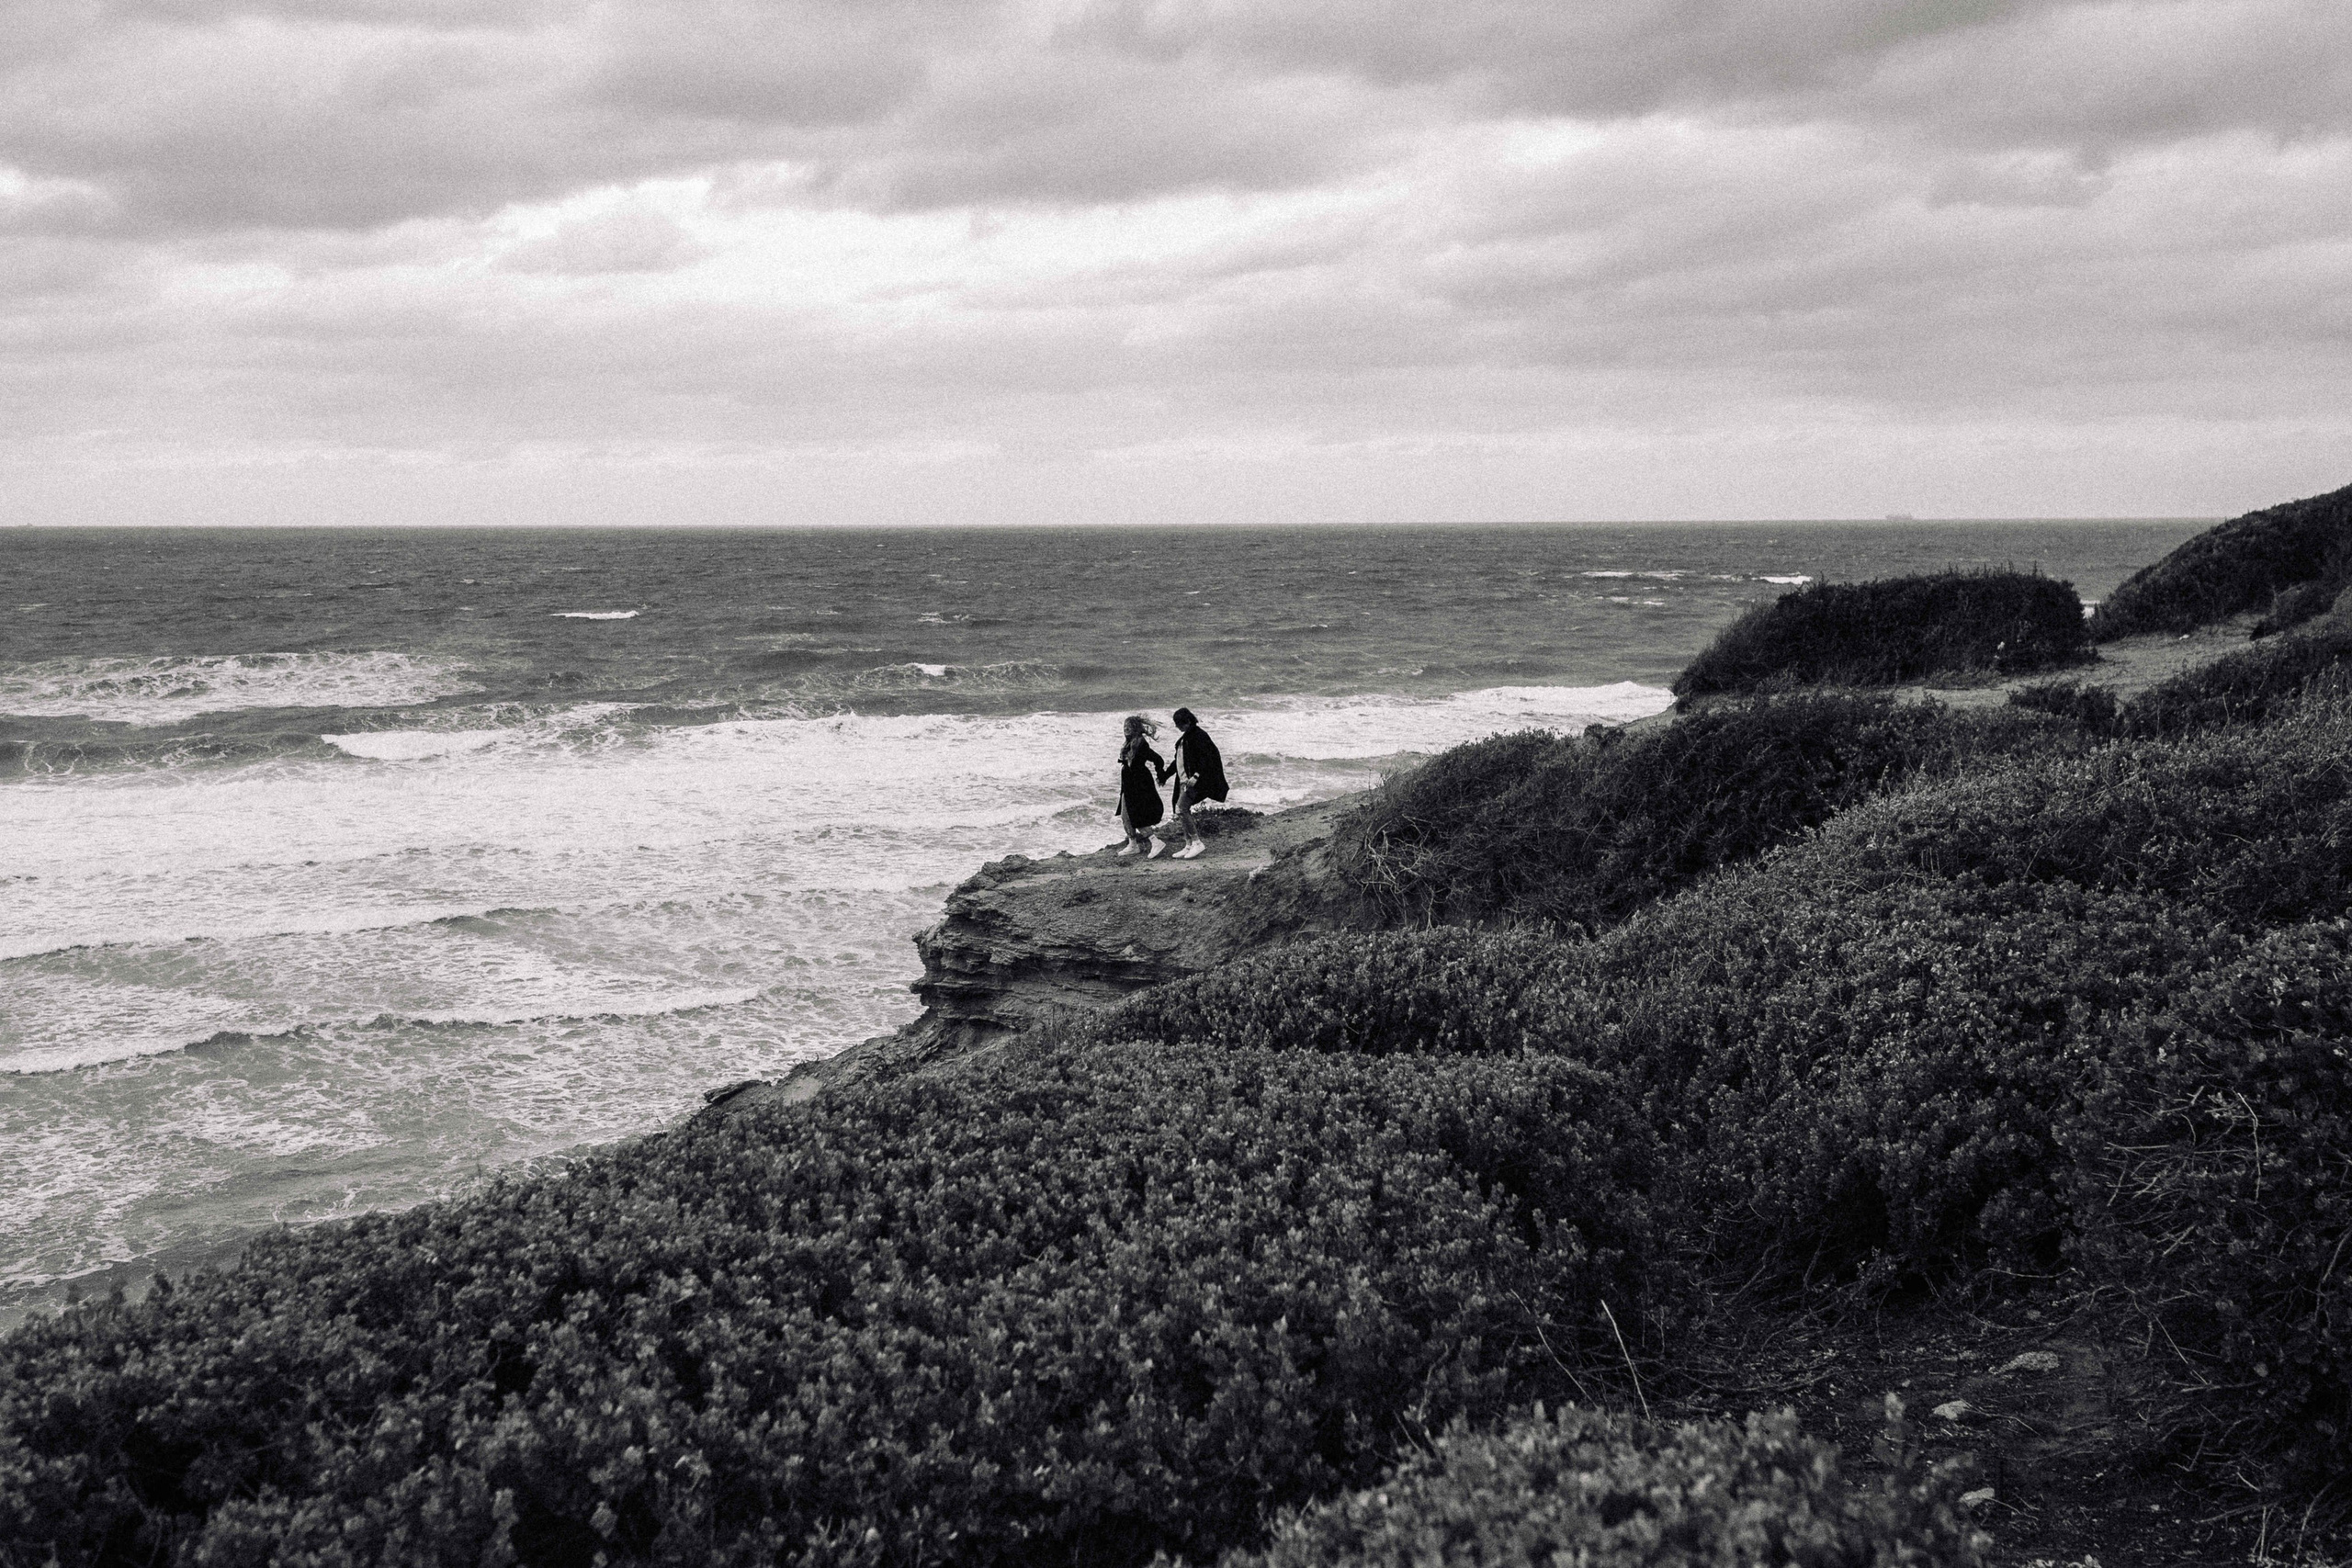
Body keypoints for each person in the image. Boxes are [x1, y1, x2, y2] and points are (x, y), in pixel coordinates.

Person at [1165, 706, 1227, 859]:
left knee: (1182, 808)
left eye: (1178, 723)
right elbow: (1178, 760)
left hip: (1194, 782)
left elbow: (1208, 757)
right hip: (1184, 781)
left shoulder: (1199, 735)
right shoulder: (1186, 737)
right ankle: (1188, 845)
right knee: (1181, 810)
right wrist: (1165, 776)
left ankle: (1197, 843)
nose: (1176, 726)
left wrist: (1197, 776)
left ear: (1187, 721)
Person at [1114, 715, 1166, 856]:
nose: (1125, 729)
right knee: (1125, 815)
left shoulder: (1141, 744)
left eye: (1128, 727)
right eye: (1124, 727)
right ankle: (1133, 845)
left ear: (1135, 728)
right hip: (1128, 785)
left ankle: (1155, 842)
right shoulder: (1129, 744)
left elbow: (1158, 760)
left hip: (1139, 785)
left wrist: (1160, 775)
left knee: (1136, 815)